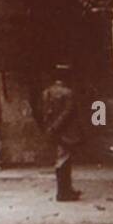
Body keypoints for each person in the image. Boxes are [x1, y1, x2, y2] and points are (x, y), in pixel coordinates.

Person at [42, 64, 85, 202]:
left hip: (54, 131)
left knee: (60, 159)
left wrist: (50, 128)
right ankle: (64, 193)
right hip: (66, 131)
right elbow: (68, 113)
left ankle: (65, 190)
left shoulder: (46, 92)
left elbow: (44, 113)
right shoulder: (68, 93)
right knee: (64, 160)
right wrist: (56, 127)